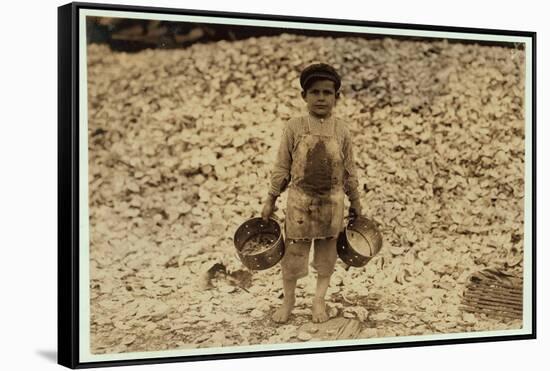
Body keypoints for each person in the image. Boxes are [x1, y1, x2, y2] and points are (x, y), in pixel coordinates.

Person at [261, 63, 362, 323]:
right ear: (303, 96)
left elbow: (350, 169)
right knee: (293, 257)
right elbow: (282, 166)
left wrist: (356, 202)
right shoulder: (295, 127)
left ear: (336, 98)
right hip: (300, 205)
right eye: (314, 92)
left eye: (327, 93)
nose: (321, 98)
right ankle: (290, 301)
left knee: (327, 258)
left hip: (332, 205)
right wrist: (270, 200)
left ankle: (319, 301)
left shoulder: (341, 130)